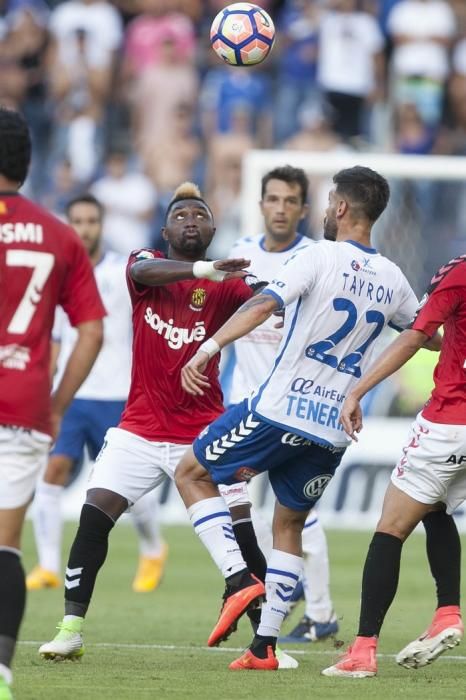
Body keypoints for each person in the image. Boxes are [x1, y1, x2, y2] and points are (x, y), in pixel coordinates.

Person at [174, 165, 427, 671]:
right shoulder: (394, 279)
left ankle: (240, 578)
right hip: (333, 429)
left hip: (279, 411)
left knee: (190, 473)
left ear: (339, 208)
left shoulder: (317, 255)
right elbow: (425, 333)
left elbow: (265, 304)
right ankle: (264, 647)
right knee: (289, 524)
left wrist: (208, 347)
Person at [38, 181, 293, 666]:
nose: (190, 220)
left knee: (244, 528)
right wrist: (205, 270)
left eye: (200, 214)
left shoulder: (228, 285)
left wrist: (274, 292)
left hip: (203, 435)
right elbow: (143, 269)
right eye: (181, 215)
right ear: (164, 229)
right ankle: (70, 629)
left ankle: (264, 643)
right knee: (94, 519)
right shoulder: (145, 266)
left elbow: (263, 300)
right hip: (138, 430)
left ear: (214, 229)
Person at [0, 107, 105, 700]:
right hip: (22, 406)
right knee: (5, 547)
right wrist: (58, 402)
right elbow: (91, 330)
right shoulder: (58, 234)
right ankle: (2, 674)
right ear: (28, 161)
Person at [322, 254, 464, 678]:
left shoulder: (458, 271)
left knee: (391, 528)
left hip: (450, 422)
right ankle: (447, 612)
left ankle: (362, 651)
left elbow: (417, 335)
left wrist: (357, 391)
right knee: (434, 507)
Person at [26, 193, 167, 595]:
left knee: (130, 491)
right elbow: (54, 338)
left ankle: (153, 548)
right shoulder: (57, 274)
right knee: (53, 472)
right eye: (78, 221)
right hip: (72, 393)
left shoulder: (125, 273)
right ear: (68, 225)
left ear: (101, 224)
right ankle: (50, 565)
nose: (85, 228)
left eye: (91, 220)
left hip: (119, 394)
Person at [227, 165, 339, 643]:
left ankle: (319, 612)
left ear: (304, 209)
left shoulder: (316, 258)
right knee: (234, 503)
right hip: (244, 402)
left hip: (291, 406)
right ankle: (267, 589)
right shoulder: (241, 255)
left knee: (297, 515)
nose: (280, 208)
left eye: (290, 201)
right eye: (273, 199)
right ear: (260, 205)